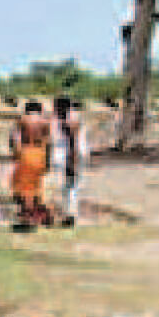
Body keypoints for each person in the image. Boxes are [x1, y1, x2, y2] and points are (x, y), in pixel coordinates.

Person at [10, 100, 52, 228]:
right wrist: (47, 160)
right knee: (35, 186)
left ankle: (27, 217)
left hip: (26, 152)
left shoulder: (22, 120)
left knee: (25, 187)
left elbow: (15, 139)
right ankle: (36, 215)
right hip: (40, 153)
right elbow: (49, 142)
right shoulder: (45, 122)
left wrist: (16, 154)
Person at [52, 94, 88, 225]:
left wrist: (72, 160)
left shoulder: (69, 120)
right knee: (68, 186)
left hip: (70, 155)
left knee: (71, 186)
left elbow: (73, 143)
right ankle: (68, 213)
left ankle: (70, 215)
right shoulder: (64, 119)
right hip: (68, 155)